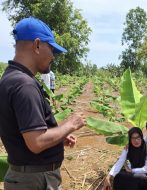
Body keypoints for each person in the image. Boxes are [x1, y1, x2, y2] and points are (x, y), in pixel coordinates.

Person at [0, 17, 85, 190]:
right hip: (35, 181)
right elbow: (36, 142)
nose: (53, 56)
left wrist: (58, 137)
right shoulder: (24, 85)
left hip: (26, 176)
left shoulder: (9, 78)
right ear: (37, 45)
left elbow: (22, 132)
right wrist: (70, 125)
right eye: (51, 49)